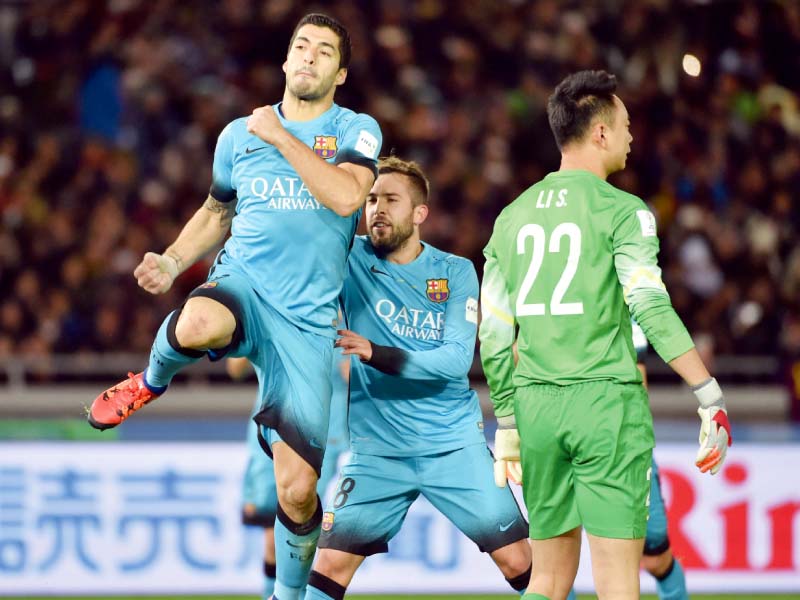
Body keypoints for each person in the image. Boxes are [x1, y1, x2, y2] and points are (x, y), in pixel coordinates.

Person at [87, 14, 382, 600]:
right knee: (195, 321)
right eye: (301, 46)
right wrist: (172, 261)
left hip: (307, 323)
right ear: (284, 60)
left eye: (324, 52)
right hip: (244, 285)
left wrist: (281, 137)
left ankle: (288, 595)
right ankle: (147, 382)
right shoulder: (236, 136)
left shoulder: (356, 128)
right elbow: (217, 211)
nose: (308, 57)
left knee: (297, 492)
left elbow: (349, 194)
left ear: (340, 72)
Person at [478, 70, 731, 600]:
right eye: (625, 125)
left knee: (546, 581)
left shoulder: (510, 218)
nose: (631, 137)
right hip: (606, 407)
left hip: (537, 408)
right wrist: (708, 393)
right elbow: (649, 306)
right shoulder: (624, 212)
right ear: (599, 133)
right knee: (618, 584)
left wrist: (507, 421)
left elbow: (496, 336)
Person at [303, 157, 533, 600]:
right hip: (377, 453)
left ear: (419, 213)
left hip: (452, 445)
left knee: (518, 561)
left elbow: (453, 362)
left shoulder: (455, 272)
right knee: (330, 564)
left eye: (391, 200)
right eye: (371, 200)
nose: (377, 210)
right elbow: (304, 234)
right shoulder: (349, 259)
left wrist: (376, 352)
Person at [228, 355, 349, 600]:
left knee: (304, 519)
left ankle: (294, 594)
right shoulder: (274, 318)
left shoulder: (350, 323)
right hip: (273, 427)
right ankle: (272, 594)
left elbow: (357, 375)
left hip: (323, 434)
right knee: (272, 531)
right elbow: (235, 368)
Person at [631, 322, 688, 600]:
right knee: (555, 558)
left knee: (655, 556)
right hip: (560, 436)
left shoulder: (622, 311)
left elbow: (639, 378)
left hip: (624, 445)